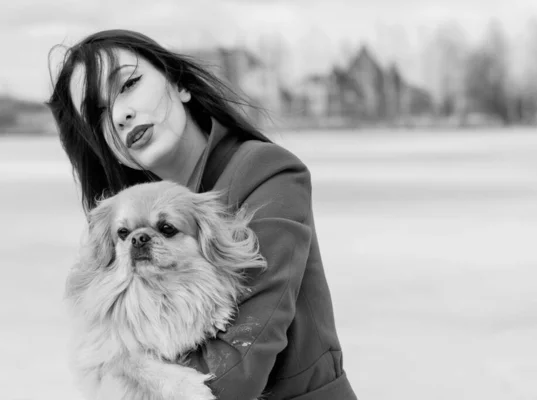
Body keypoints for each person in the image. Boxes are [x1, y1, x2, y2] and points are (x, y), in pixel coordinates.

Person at [47, 29, 357, 400]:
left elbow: (237, 367)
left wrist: (127, 371)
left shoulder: (265, 171)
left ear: (179, 84)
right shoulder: (122, 213)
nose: (121, 113)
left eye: (128, 84)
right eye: (98, 112)